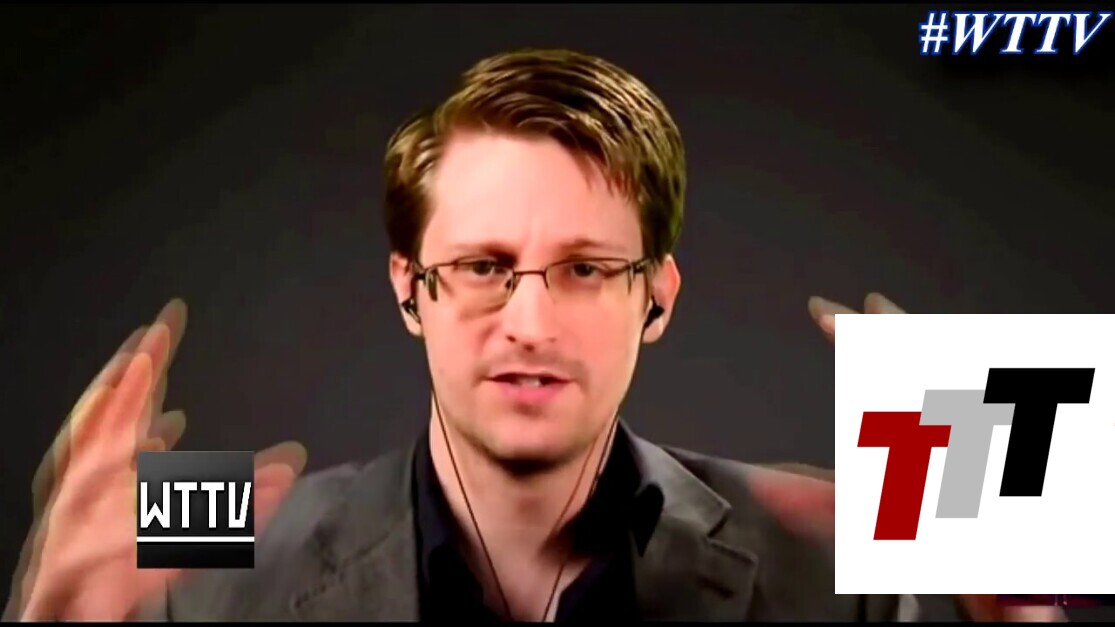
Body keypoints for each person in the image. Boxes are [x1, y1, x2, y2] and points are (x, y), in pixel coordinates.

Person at [5, 48, 1065, 622]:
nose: (528, 321)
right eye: (480, 266)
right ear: (408, 291)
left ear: (656, 298)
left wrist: (1022, 624)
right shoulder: (210, 559)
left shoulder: (836, 570)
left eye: (585, 269)